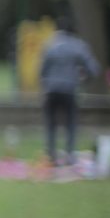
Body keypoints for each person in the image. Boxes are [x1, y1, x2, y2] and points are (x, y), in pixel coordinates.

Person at [40, 16, 101, 165]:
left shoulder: (49, 44)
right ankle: (69, 155)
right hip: (69, 89)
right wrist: (83, 78)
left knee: (51, 123)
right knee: (71, 123)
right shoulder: (78, 46)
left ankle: (51, 154)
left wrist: (46, 83)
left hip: (51, 89)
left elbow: (42, 70)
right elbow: (94, 69)